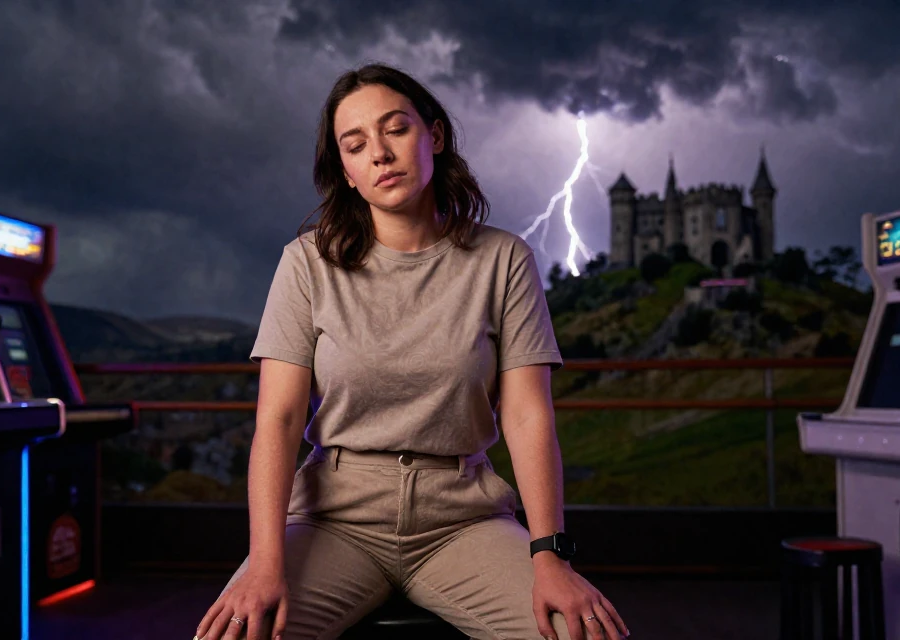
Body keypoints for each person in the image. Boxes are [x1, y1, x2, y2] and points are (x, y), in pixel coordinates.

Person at [195, 63, 629, 640]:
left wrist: (549, 556)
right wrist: (265, 564)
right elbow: (278, 419)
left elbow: (527, 415)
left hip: (462, 519)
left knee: (585, 635)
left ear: (435, 136)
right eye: (356, 144)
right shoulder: (305, 264)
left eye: (395, 129)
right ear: (346, 172)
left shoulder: (505, 260)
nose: (379, 152)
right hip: (335, 519)